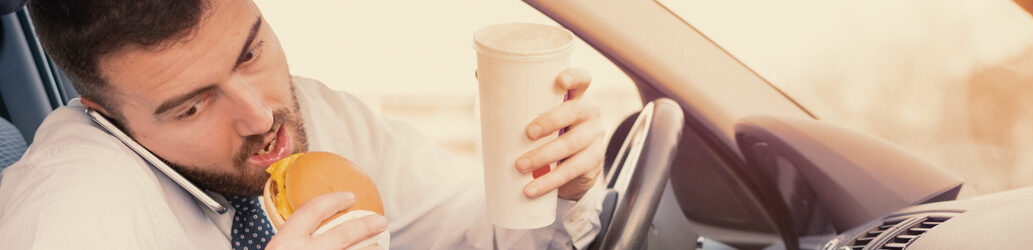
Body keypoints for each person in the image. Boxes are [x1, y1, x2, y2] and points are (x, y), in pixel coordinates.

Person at [0, 0, 608, 249]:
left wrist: (560, 189)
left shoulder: (317, 116)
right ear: (104, 116)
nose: (261, 116)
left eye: (250, 52)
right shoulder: (67, 214)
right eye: (192, 106)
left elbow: (477, 229)